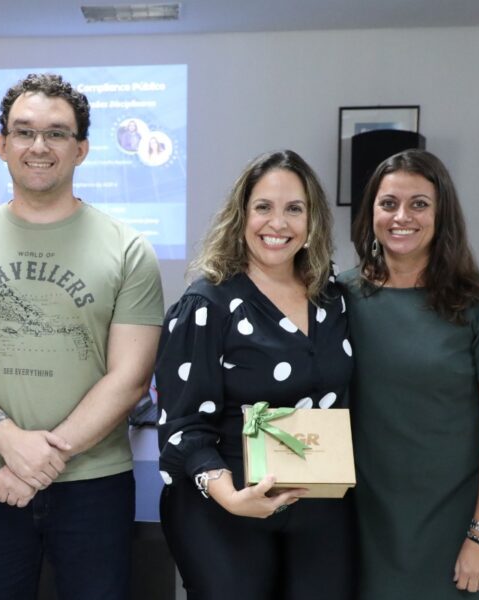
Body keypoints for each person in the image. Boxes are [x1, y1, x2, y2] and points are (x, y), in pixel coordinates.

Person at [0, 73, 163, 600]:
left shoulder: (129, 250)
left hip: (94, 484)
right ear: (1, 144)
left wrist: (39, 462)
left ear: (81, 149)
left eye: (57, 133)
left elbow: (130, 378)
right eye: (24, 131)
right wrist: (10, 443)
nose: (39, 146)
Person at [155, 150, 355, 599]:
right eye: (263, 207)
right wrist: (230, 496)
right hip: (225, 501)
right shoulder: (208, 304)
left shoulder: (333, 298)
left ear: (313, 220)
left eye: (294, 209)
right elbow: (182, 425)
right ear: (241, 216)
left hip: (318, 501)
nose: (277, 223)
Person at [342, 149, 479, 598]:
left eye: (419, 204)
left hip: (455, 517)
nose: (401, 216)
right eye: (388, 204)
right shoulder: (338, 297)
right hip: (364, 518)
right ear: (371, 214)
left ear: (442, 214)